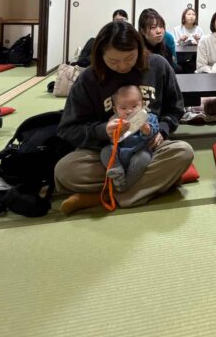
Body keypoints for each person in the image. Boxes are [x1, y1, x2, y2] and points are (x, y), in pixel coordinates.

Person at [55, 20, 194, 213]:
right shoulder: (89, 79)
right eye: (113, 61)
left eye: (129, 58)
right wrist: (102, 130)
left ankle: (103, 196)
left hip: (148, 148)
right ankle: (150, 185)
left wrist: (162, 130)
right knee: (65, 171)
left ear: (139, 48)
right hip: (108, 153)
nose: (122, 66)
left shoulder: (157, 65)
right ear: (100, 55)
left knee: (183, 152)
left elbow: (175, 108)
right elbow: (68, 129)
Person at [100, 84, 159, 191]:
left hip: (138, 151)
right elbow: (110, 138)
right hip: (118, 153)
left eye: (134, 106)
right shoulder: (114, 120)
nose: (129, 111)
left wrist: (147, 130)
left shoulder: (148, 117)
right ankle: (116, 170)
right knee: (106, 151)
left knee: (144, 157)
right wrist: (114, 132)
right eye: (123, 108)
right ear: (115, 109)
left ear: (142, 105)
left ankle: (126, 184)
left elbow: (155, 131)